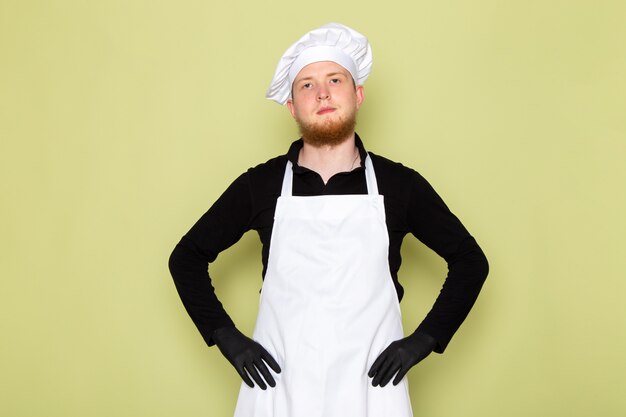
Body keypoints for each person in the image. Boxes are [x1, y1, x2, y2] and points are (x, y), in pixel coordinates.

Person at [169, 23, 488, 417]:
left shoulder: (399, 186)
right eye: (306, 85)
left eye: (334, 80)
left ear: (357, 95)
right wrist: (227, 337)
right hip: (278, 388)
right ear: (292, 107)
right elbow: (186, 257)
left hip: (373, 391)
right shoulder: (261, 185)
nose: (321, 93)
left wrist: (423, 340)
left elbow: (470, 261)